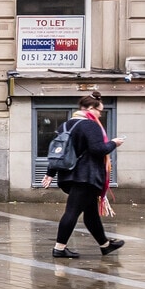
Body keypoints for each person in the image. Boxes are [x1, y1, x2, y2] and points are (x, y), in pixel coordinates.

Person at [52, 90, 125, 258]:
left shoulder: (65, 125)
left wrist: (50, 172)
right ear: (91, 109)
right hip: (86, 176)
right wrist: (113, 143)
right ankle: (59, 248)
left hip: (69, 175)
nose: (100, 114)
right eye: (100, 111)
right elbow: (98, 149)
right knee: (72, 212)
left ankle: (105, 245)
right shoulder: (90, 125)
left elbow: (57, 151)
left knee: (90, 214)